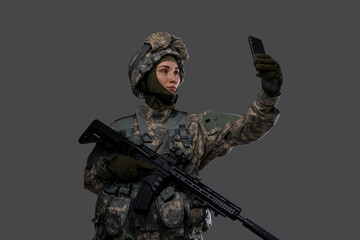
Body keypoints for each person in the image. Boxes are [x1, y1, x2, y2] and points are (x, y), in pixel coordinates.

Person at [83, 31, 282, 240]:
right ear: (145, 75)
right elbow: (90, 180)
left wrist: (269, 94)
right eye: (164, 71)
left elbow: (248, 128)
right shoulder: (119, 129)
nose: (173, 78)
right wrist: (113, 166)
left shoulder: (195, 127)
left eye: (177, 72)